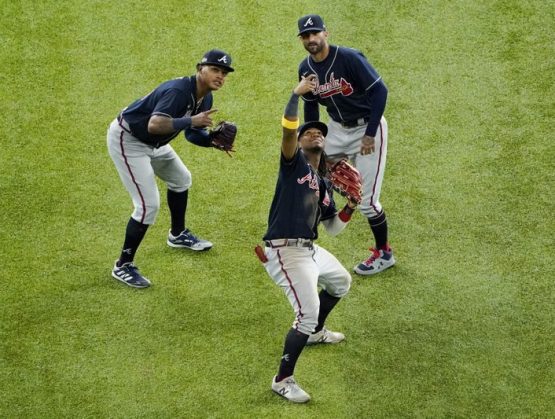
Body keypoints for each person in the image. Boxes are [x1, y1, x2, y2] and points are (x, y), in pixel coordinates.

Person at [259, 75, 356, 403]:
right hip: (285, 252)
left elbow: (332, 229)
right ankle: (282, 379)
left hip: (310, 250)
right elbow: (288, 129)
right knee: (307, 311)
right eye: (309, 132)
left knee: (341, 282)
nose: (316, 133)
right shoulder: (292, 164)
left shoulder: (324, 184)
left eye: (320, 132)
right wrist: (295, 95)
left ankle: (314, 333)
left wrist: (351, 207)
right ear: (299, 143)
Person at [106, 49, 234, 288]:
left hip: (155, 144)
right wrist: (191, 121)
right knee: (147, 206)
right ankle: (122, 265)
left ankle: (177, 235)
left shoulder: (205, 97)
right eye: (215, 70)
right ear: (200, 69)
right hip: (129, 140)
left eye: (224, 73)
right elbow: (155, 125)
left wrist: (211, 141)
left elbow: (192, 134)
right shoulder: (178, 91)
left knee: (181, 179)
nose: (220, 76)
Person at [296, 14, 396, 276]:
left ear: (326, 33)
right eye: (306, 36)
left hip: (368, 128)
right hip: (337, 128)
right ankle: (329, 211)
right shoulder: (305, 68)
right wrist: (313, 144)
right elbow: (311, 106)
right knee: (313, 170)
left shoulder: (349, 58)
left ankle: (384, 253)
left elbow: (380, 91)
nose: (311, 39)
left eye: (315, 34)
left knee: (366, 201)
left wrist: (370, 133)